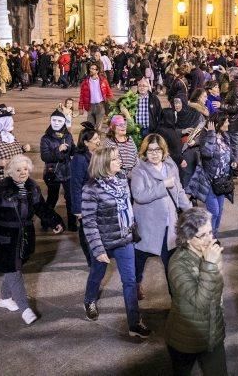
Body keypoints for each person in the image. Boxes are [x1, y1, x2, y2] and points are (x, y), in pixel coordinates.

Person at [0, 154, 63, 325]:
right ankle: (24, 308)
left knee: (13, 268)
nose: (23, 172)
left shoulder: (32, 188)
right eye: (18, 170)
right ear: (10, 172)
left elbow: (41, 207)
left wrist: (54, 221)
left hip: (24, 236)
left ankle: (4, 297)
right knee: (14, 270)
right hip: (5, 238)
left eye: (25, 169)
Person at [81, 145, 150, 338]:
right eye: (115, 159)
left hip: (125, 240)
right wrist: (97, 249)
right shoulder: (91, 188)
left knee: (130, 281)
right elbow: (89, 221)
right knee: (97, 275)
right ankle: (89, 300)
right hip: (103, 242)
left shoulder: (121, 180)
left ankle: (134, 323)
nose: (119, 161)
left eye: (118, 157)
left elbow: (127, 208)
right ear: (104, 164)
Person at [165, 207, 227, 375]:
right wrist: (210, 265)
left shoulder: (210, 252)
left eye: (211, 232)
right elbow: (201, 303)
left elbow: (217, 291)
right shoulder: (177, 264)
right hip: (185, 338)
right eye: (203, 235)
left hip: (213, 333)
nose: (210, 239)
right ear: (187, 238)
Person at [131, 134, 191, 299]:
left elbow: (179, 192)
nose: (154, 153)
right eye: (150, 150)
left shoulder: (171, 167)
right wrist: (162, 185)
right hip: (147, 226)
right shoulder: (139, 170)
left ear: (163, 150)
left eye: (157, 149)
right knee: (139, 260)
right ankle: (135, 285)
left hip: (169, 225)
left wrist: (191, 212)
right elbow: (139, 195)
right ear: (145, 152)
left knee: (171, 266)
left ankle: (176, 301)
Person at [70, 122, 100, 265]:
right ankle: (90, 259)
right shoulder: (79, 159)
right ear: (86, 142)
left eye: (98, 138)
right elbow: (75, 185)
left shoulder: (97, 154)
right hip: (85, 201)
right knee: (86, 232)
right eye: (95, 140)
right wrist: (77, 209)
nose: (98, 141)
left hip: (97, 199)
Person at [40, 109, 75, 229]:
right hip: (52, 173)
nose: (56, 123)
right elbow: (44, 156)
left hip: (67, 171)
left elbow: (73, 150)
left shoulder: (68, 135)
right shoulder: (45, 138)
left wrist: (81, 148)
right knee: (52, 198)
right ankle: (46, 222)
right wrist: (57, 150)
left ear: (64, 122)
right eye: (53, 120)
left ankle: (72, 223)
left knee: (70, 198)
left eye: (59, 120)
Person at [78, 62, 113, 128]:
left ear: (97, 71)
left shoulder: (103, 81)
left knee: (98, 128)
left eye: (93, 69)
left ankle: (97, 138)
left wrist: (111, 105)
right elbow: (82, 96)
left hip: (100, 106)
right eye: (90, 68)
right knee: (90, 128)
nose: (90, 70)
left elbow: (109, 93)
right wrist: (80, 108)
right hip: (90, 106)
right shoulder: (85, 82)